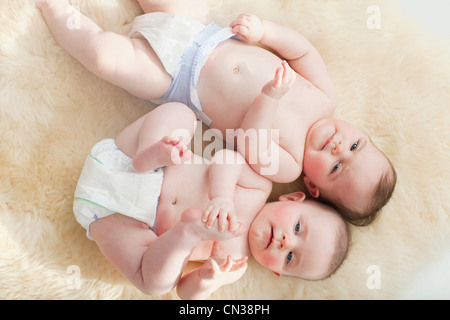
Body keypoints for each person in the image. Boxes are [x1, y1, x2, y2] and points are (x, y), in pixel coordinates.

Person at [33, 0, 396, 224]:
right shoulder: (325, 96)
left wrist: (270, 97)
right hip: (205, 33)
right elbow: (303, 52)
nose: (339, 148)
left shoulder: (290, 165)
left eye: (337, 167)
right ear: (361, 132)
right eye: (355, 146)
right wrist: (265, 32)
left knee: (105, 57)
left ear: (313, 187)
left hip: (175, 80)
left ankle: (53, 8)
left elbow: (252, 144)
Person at [73, 102, 349, 299]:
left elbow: (184, 292)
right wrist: (222, 198)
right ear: (292, 197)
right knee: (180, 114)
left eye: (290, 257)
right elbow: (226, 159)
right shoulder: (259, 186)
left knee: (157, 284)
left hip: (124, 221)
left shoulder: (234, 261)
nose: (286, 242)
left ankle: (186, 232)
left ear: (277, 272)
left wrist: (208, 280)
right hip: (135, 163)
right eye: (298, 228)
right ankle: (151, 151)